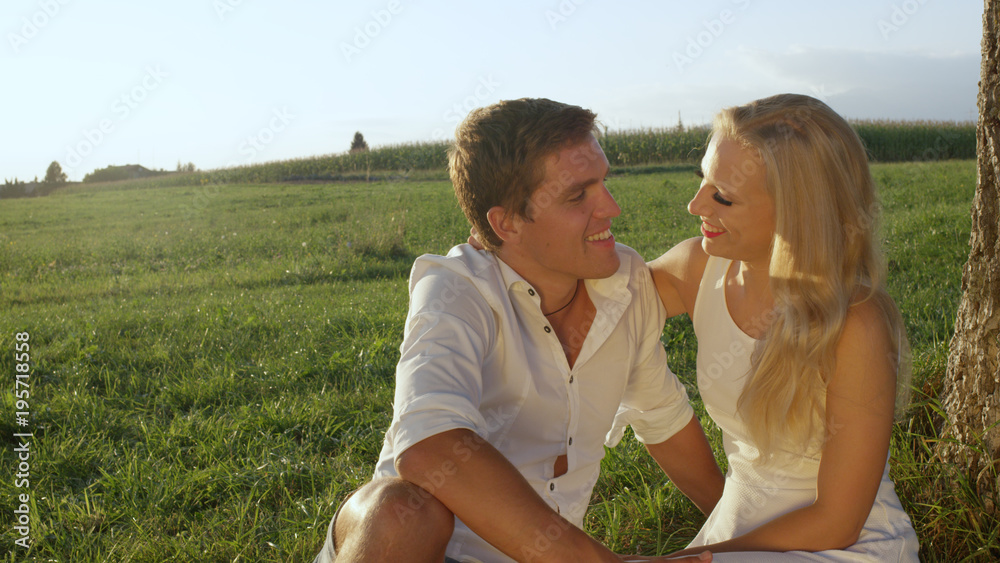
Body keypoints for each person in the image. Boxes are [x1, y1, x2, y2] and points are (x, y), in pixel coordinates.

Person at [314, 98, 723, 562]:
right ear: (506, 222)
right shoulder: (455, 288)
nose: (611, 208)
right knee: (396, 509)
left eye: (604, 183)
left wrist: (743, 522)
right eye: (577, 196)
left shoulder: (624, 286)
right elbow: (428, 447)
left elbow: (662, 418)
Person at [642, 93, 919, 561]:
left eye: (723, 196)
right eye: (702, 181)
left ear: (798, 212)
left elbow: (838, 520)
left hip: (839, 544)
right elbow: (600, 305)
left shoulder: (855, 323)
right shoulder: (698, 269)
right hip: (739, 526)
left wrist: (702, 558)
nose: (695, 206)